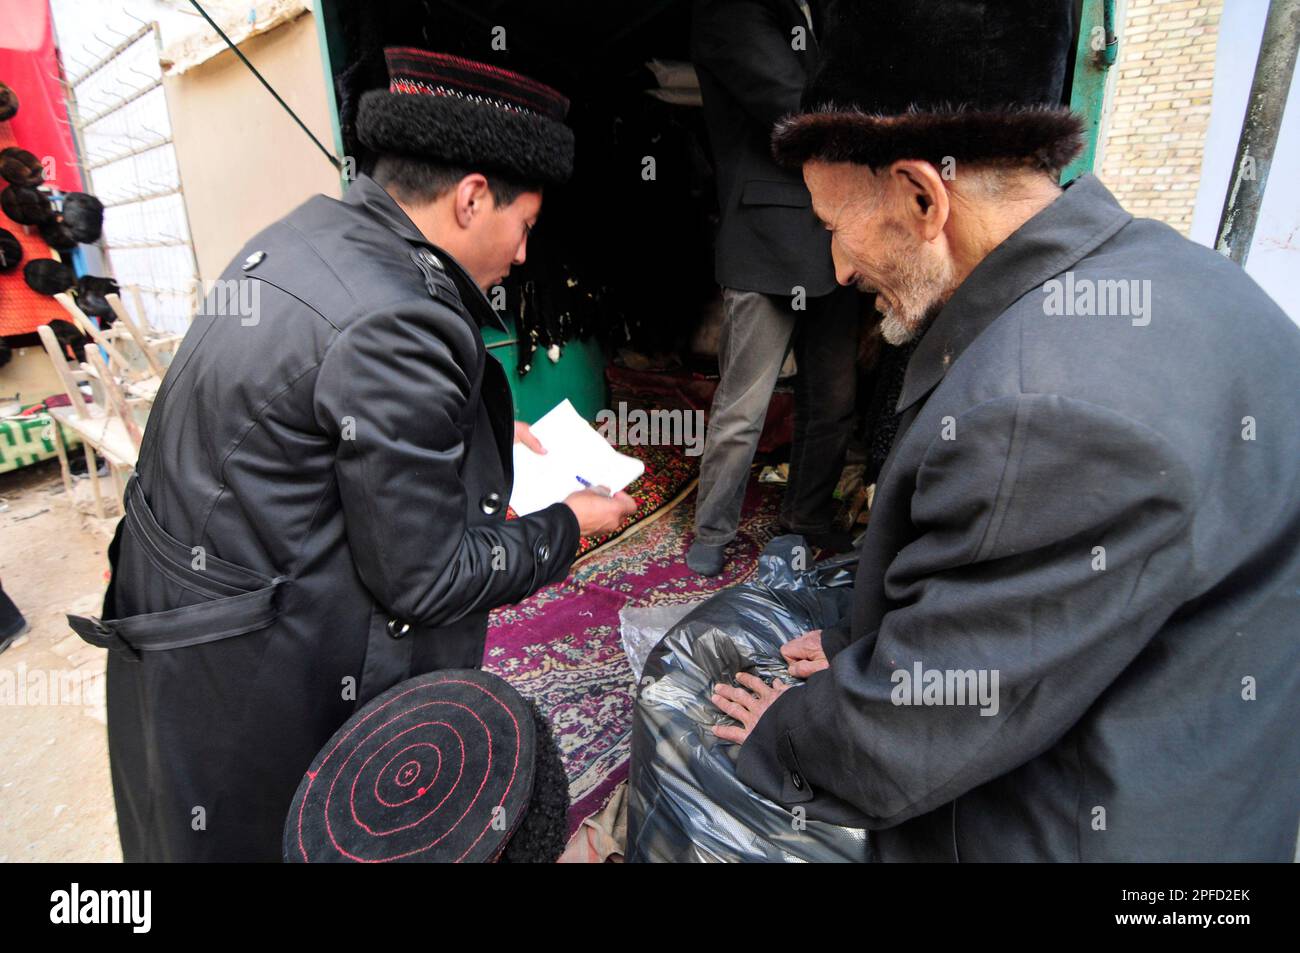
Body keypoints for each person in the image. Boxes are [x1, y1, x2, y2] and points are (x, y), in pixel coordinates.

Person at [706, 0, 1300, 860]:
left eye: (835, 229)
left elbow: (913, 728)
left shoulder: (1039, 409)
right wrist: (854, 635)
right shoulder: (1196, 282)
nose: (835, 268)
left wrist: (789, 734)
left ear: (921, 197)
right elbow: (1047, 596)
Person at [67, 48, 634, 862]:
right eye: (526, 228)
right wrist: (567, 525)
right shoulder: (401, 318)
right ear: (474, 198)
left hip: (184, 625)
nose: (520, 257)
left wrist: (471, 431)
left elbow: (321, 406)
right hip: (259, 672)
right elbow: (428, 578)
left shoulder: (317, 232)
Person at [686, 0, 860, 576]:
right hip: (765, 237)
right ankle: (713, 529)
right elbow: (793, 109)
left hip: (837, 237)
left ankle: (805, 519)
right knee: (744, 406)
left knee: (833, 401)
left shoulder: (825, 16)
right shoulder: (731, 13)